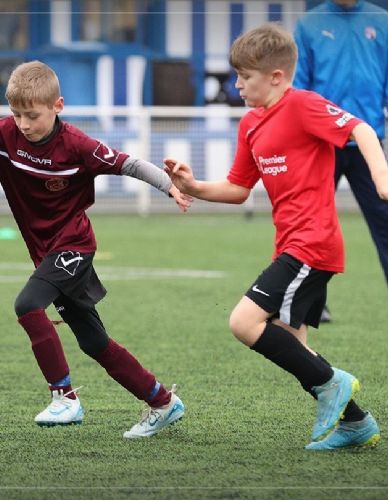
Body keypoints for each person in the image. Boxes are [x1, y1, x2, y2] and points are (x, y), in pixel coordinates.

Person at [0, 61, 190, 439]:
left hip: (74, 246)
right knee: (94, 342)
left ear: (57, 106)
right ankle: (162, 402)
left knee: (27, 304)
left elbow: (128, 164)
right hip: (45, 252)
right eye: (17, 114)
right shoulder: (0, 133)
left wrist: (170, 186)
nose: (24, 124)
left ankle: (64, 397)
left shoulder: (78, 145)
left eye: (32, 115)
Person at [164, 24, 387, 450]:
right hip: (290, 245)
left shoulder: (304, 106)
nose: (237, 85)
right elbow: (238, 188)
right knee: (295, 349)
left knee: (243, 322)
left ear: (276, 77)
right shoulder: (250, 124)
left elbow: (360, 129)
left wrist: (381, 176)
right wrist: (192, 187)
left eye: (244, 77)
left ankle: (336, 384)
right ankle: (356, 424)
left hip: (313, 245)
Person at [294, 0, 388, 323]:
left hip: (368, 140)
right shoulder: (309, 24)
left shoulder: (382, 21)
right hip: (322, 144)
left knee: (387, 221)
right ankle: (311, 305)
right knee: (312, 224)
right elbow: (298, 88)